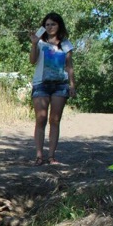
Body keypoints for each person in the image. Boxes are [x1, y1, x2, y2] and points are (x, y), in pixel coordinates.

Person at [29, 12, 75, 165]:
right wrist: (34, 44)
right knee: (40, 119)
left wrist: (72, 85)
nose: (50, 27)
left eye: (53, 24)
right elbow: (32, 61)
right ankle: (39, 155)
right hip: (41, 83)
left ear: (59, 25)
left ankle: (51, 156)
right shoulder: (40, 42)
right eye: (47, 24)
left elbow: (69, 67)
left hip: (60, 85)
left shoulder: (66, 44)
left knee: (55, 120)